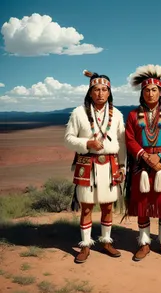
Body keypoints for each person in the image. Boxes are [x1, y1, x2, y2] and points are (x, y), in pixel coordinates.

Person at [64, 70, 126, 263]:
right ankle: (85, 245)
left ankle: (106, 242)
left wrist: (123, 165)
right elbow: (68, 139)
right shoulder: (79, 112)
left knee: (108, 206)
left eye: (104, 89)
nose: (100, 93)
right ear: (90, 92)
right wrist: (87, 144)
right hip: (87, 164)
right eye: (96, 89)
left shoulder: (116, 114)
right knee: (87, 207)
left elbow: (122, 142)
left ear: (109, 92)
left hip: (110, 165)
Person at [125, 64, 161, 261]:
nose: (150, 93)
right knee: (143, 206)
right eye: (147, 90)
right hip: (141, 166)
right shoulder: (133, 115)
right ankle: (144, 243)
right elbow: (130, 139)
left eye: (154, 90)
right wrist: (144, 155)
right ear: (142, 93)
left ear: (160, 92)